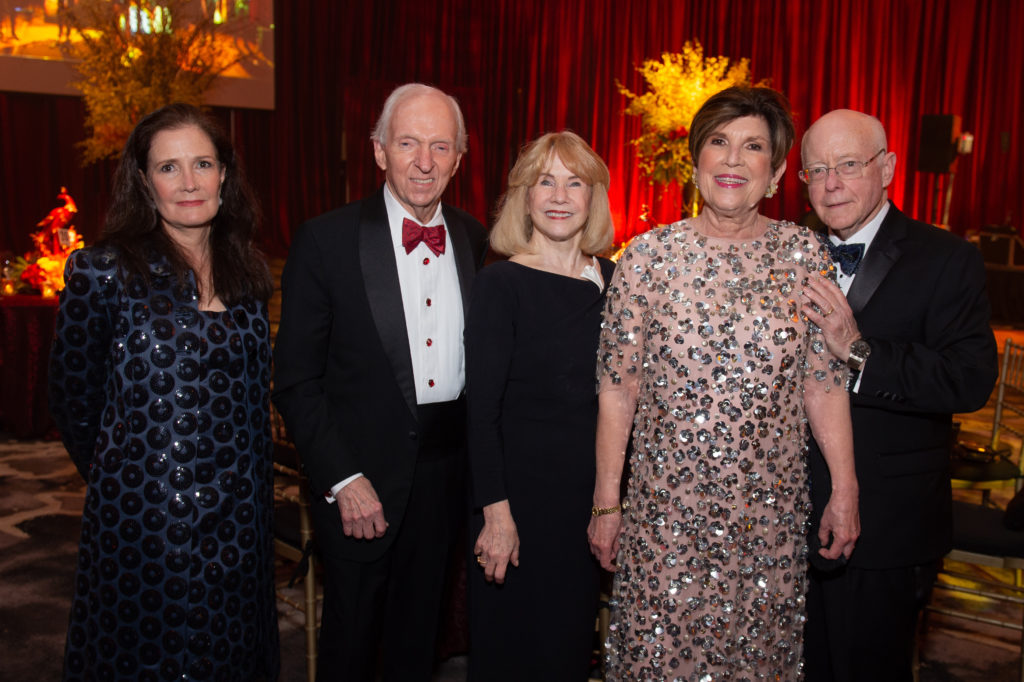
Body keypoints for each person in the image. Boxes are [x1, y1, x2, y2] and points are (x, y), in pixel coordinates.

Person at [587, 86, 861, 679]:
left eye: (753, 147)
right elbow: (618, 388)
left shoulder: (805, 256)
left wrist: (844, 488)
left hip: (769, 522)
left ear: (778, 171)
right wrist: (608, 501)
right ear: (695, 160)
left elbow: (824, 384)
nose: (733, 159)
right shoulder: (648, 257)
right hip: (664, 519)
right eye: (719, 142)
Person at [49, 103, 278, 681]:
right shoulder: (102, 272)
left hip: (243, 522)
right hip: (146, 526)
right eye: (168, 168)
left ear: (224, 173)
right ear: (145, 181)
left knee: (230, 658)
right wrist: (128, 477)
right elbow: (74, 404)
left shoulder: (248, 272)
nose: (189, 182)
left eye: (202, 163)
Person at [272, 83, 488, 681]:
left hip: (447, 476)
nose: (424, 161)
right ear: (378, 152)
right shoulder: (326, 239)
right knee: (353, 641)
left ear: (459, 158)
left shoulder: (474, 239)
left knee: (419, 643)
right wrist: (343, 479)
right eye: (408, 143)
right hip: (360, 479)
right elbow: (295, 381)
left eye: (440, 146)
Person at [798, 109, 998, 681]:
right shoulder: (785, 253)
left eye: (848, 165)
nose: (831, 183)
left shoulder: (947, 258)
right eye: (817, 169)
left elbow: (969, 380)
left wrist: (858, 351)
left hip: (888, 523)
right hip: (782, 519)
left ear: (886, 168)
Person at [465, 131, 614, 680]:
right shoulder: (500, 284)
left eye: (574, 182)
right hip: (517, 505)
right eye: (544, 181)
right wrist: (496, 514)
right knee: (514, 653)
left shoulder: (615, 283)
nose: (559, 194)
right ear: (524, 197)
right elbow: (481, 412)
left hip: (585, 506)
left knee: (567, 650)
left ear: (593, 197)